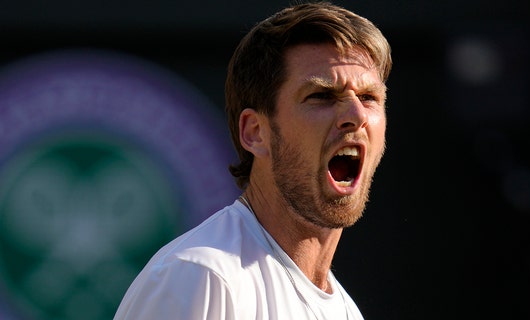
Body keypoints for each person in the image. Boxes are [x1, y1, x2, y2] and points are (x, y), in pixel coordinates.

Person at [113, 1, 392, 319]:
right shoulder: (202, 277)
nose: (356, 116)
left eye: (369, 97)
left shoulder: (345, 310)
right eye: (322, 96)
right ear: (256, 132)